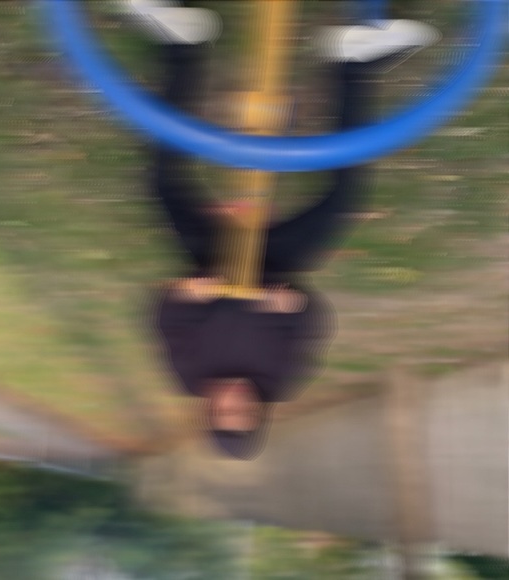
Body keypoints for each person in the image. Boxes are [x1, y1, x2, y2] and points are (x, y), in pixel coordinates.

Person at [120, 1, 440, 459]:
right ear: (259, 414)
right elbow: (313, 325)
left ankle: (183, 46)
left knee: (160, 181)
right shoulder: (282, 380)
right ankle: (351, 65)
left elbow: (163, 317)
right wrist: (289, 303)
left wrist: (190, 292)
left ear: (207, 412)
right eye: (244, 411)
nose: (234, 399)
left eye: (224, 410)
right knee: (344, 196)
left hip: (211, 257)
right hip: (279, 263)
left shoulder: (187, 375)